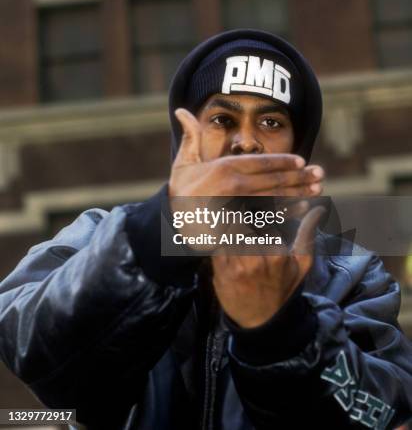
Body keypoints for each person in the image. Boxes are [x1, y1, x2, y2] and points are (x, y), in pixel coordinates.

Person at [0, 28, 411, 430]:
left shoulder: (351, 272)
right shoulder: (100, 234)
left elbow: (384, 414)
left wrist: (283, 332)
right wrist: (160, 239)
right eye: (222, 118)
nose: (246, 142)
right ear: (185, 138)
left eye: (270, 122)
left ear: (298, 147)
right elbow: (27, 345)